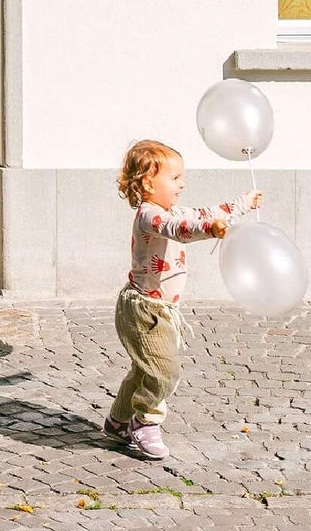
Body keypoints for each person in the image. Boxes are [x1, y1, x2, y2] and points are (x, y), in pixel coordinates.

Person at [106, 140, 261, 460]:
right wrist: (210, 229)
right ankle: (145, 421)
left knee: (143, 370)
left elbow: (207, 213)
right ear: (148, 183)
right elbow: (180, 229)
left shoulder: (172, 210)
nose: (182, 184)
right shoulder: (150, 216)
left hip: (160, 311)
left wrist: (244, 203)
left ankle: (117, 422)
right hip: (144, 311)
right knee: (165, 371)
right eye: (174, 178)